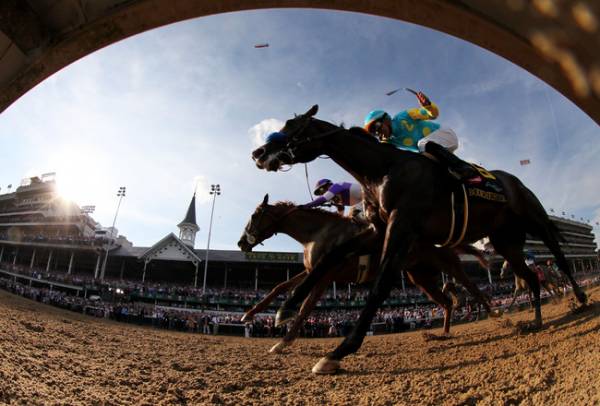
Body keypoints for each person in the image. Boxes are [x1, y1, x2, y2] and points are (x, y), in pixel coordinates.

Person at [363, 89, 480, 182]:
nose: (378, 133)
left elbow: (433, 114)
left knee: (422, 145)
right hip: (434, 150)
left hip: (444, 135)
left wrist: (427, 106)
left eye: (377, 127)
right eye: (374, 132)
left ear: (386, 120)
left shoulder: (403, 116)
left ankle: (464, 168)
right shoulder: (389, 142)